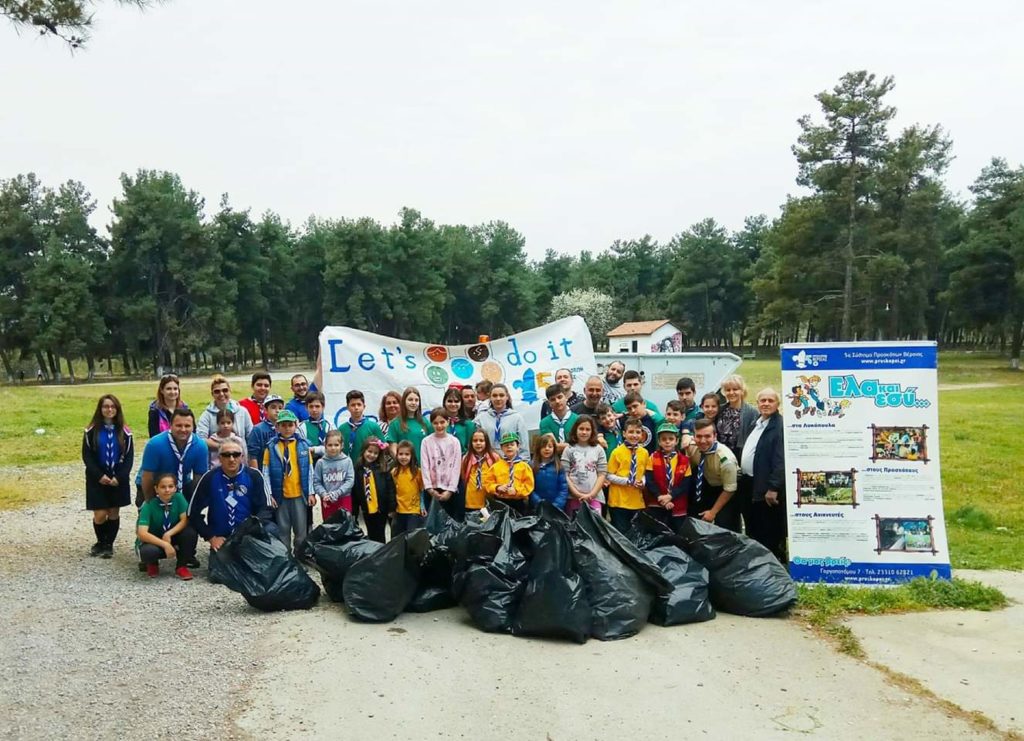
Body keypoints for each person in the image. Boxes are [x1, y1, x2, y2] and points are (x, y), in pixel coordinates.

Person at [188, 439, 275, 557]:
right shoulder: (209, 478)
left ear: (242, 457)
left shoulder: (254, 476)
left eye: (236, 455)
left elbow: (266, 509)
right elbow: (193, 512)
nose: (231, 459)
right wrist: (211, 537)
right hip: (221, 539)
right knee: (222, 574)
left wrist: (251, 531)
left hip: (249, 537)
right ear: (219, 458)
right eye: (226, 455)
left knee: (272, 530)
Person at [83, 394, 134, 558]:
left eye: (113, 407)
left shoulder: (125, 432)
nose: (109, 409)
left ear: (117, 409)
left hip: (117, 479)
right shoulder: (91, 431)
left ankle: (108, 544)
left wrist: (120, 477)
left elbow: (129, 457)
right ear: (100, 409)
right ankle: (100, 541)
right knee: (100, 514)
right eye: (106, 406)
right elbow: (87, 456)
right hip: (97, 478)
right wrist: (99, 475)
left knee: (113, 512)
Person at [739, 388, 787, 562]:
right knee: (752, 525)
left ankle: (773, 562)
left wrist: (774, 487)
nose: (766, 403)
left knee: (768, 528)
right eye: (762, 400)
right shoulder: (757, 422)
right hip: (749, 482)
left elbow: (780, 460)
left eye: (770, 400)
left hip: (766, 486)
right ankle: (756, 562)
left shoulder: (778, 427)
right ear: (757, 403)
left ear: (777, 404)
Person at [261, 409, 315, 555]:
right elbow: (265, 473)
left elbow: (310, 470)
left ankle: (300, 555)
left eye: (290, 425)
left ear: (296, 425)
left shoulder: (303, 445)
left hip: (299, 494)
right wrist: (269, 495)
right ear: (277, 427)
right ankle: (285, 557)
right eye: (283, 425)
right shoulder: (271, 447)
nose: (287, 428)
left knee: (301, 530)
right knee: (283, 530)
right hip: (281, 496)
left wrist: (311, 492)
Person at [140, 408, 209, 506]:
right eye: (179, 425)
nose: (183, 429)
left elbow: (199, 478)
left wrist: (194, 504)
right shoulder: (155, 444)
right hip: (154, 484)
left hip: (182, 483)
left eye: (187, 426)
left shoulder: (200, 446)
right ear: (170, 426)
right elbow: (147, 476)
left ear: (193, 427)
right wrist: (150, 502)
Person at [136, 472, 197, 580]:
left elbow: (185, 520)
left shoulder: (179, 498)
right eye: (163, 487)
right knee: (148, 552)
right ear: (156, 489)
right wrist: (165, 545)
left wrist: (169, 533)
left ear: (175, 488)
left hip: (171, 536)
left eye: (170, 486)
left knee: (190, 533)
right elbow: (142, 533)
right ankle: (152, 564)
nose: (167, 490)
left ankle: (181, 566)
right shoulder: (149, 504)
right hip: (154, 539)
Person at [685, 418, 740, 531]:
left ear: (715, 436)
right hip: (705, 484)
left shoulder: (726, 460)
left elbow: (729, 489)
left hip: (726, 489)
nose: (703, 441)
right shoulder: (691, 447)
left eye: (707, 436)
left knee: (724, 523)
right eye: (698, 436)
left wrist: (712, 513)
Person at [644, 423, 692, 532]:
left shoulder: (684, 460)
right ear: (659, 442)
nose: (667, 441)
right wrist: (661, 497)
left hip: (678, 503)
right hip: (657, 501)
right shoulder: (653, 457)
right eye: (664, 439)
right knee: (658, 532)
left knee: (678, 533)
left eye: (671, 439)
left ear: (677, 441)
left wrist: (670, 496)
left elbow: (685, 484)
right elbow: (650, 481)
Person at [605, 418, 649, 532]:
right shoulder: (617, 452)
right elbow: (609, 475)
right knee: (621, 533)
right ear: (624, 434)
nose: (634, 435)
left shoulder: (644, 453)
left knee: (635, 533)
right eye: (631, 432)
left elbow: (644, 473)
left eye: (638, 432)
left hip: (636, 500)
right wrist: (627, 481)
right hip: (618, 500)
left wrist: (643, 482)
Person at [420, 407, 464, 521]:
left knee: (451, 524)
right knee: (433, 525)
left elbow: (456, 467)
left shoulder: (454, 442)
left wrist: (450, 490)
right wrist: (429, 489)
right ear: (431, 424)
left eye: (442, 422)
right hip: (432, 491)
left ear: (448, 422)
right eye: (435, 423)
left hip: (450, 491)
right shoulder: (426, 442)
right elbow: (424, 466)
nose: (439, 426)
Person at [196, 375, 254, 458]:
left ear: (230, 391)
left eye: (225, 390)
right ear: (212, 394)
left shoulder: (242, 411)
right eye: (217, 391)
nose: (221, 394)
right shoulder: (206, 416)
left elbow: (251, 436)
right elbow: (200, 440)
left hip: (241, 460)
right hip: (216, 462)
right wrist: (224, 448)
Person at [352, 436, 395, 543]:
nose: (372, 455)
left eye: (375, 453)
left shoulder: (383, 468)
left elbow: (390, 488)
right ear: (364, 450)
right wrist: (355, 511)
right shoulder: (358, 468)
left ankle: (382, 553)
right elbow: (355, 491)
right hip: (367, 509)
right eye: (369, 451)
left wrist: (391, 507)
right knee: (371, 533)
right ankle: (374, 554)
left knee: (380, 533)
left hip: (381, 508)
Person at [562, 415, 607, 515]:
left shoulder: (598, 449)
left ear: (592, 431)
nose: (584, 432)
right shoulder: (569, 449)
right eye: (581, 429)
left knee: (594, 527)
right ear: (575, 430)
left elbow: (602, 473)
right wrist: (576, 494)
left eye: (587, 429)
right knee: (575, 528)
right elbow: (565, 474)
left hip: (594, 497)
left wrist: (592, 494)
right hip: (573, 497)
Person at [475, 384, 530, 461]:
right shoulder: (480, 418)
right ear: (490, 398)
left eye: (501, 395)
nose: (498, 398)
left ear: (507, 397)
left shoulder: (516, 418)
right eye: (494, 395)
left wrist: (523, 463)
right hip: (487, 463)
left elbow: (524, 445)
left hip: (511, 463)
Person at [484, 432, 534, 515]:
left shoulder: (525, 467)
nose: (509, 447)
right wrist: (497, 487)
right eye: (506, 445)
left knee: (519, 525)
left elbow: (529, 485)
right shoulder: (495, 467)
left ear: (518, 447)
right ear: (502, 448)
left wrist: (516, 490)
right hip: (500, 502)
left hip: (519, 503)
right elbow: (487, 483)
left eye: (512, 444)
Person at [312, 430, 355, 521]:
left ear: (342, 446)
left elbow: (350, 481)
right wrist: (324, 494)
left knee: (345, 527)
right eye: (330, 445)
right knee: (329, 527)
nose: (333, 448)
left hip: (344, 498)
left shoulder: (347, 461)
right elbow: (317, 482)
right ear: (325, 446)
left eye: (336, 445)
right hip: (327, 500)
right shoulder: (321, 463)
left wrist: (337, 493)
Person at [717, 374, 759, 461]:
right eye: (728, 390)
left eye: (735, 389)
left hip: (741, 456)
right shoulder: (720, 410)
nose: (731, 392)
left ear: (742, 391)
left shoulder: (752, 412)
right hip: (721, 455)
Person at [390, 440, 427, 535]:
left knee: (411, 536)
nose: (403, 457)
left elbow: (421, 490)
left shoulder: (417, 472)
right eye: (401, 454)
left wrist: (422, 506)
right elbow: (392, 491)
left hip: (413, 510)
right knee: (397, 536)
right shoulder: (394, 472)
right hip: (398, 510)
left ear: (412, 456)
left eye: (407, 454)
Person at [386, 387, 431, 462]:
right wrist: (402, 462)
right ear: (404, 402)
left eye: (416, 400)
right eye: (410, 400)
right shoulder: (395, 424)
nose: (413, 403)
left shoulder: (425, 422)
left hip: (422, 468)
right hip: (403, 469)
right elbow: (392, 448)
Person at [338, 390, 385, 460]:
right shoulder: (342, 428)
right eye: (353, 405)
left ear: (364, 406)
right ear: (347, 407)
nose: (356, 408)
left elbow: (382, 448)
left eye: (359, 404)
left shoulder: (373, 427)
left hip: (367, 468)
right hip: (346, 468)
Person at [461, 429, 498, 515]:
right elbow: (463, 476)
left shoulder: (494, 458)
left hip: (489, 500)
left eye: (481, 440)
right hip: (471, 501)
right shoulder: (466, 459)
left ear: (487, 442)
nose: (478, 443)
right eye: (475, 441)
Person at [530, 433, 569, 512]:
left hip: (556, 509)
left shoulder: (559, 467)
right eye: (544, 446)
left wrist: (557, 505)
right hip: (537, 508)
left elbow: (563, 488)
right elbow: (530, 488)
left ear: (554, 449)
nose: (547, 449)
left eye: (550, 446)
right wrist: (538, 502)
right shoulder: (531, 466)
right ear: (538, 448)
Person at [246, 394, 285, 468]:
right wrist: (257, 475)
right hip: (264, 468)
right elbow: (253, 455)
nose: (277, 411)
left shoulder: (286, 428)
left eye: (280, 408)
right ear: (265, 410)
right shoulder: (258, 429)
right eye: (273, 407)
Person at [538, 383, 578, 453]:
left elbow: (583, 445)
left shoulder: (577, 419)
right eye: (553, 399)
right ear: (549, 403)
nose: (557, 401)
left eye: (560, 397)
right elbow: (554, 447)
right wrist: (575, 446)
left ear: (566, 397)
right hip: (554, 462)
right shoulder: (545, 422)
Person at [302, 391, 334, 462]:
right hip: (309, 464)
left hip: (327, 463)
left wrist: (314, 450)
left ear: (323, 407)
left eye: (317, 406)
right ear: (306, 408)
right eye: (311, 406)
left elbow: (331, 448)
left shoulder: (329, 426)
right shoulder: (302, 427)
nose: (314, 409)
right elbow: (302, 449)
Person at [442, 387, 474, 453]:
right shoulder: (439, 423)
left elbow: (471, 447)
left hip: (462, 460)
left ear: (461, 403)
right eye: (450, 401)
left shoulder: (469, 425)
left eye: (456, 401)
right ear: (444, 402)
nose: (453, 404)